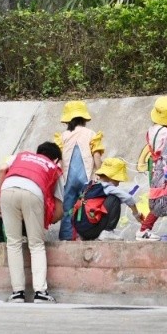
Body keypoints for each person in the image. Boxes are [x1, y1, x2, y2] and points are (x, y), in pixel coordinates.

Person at [0, 142, 65, 303]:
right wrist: (48, 220)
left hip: (7, 188)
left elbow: (1, 169)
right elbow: (59, 210)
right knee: (36, 244)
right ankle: (40, 293)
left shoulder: (21, 156)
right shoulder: (54, 168)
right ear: (56, 159)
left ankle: (17, 293)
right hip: (34, 191)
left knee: (13, 243)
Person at [54, 101, 106, 240]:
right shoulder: (91, 134)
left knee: (68, 208)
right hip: (86, 179)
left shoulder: (63, 136)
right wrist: (101, 174)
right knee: (85, 207)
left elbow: (58, 160)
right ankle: (84, 236)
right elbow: (96, 156)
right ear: (84, 118)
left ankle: (66, 237)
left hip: (67, 180)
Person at [135, 96, 167, 240]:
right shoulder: (166, 133)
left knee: (161, 198)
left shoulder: (152, 130)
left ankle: (145, 228)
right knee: (165, 197)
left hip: (156, 167)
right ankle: (144, 229)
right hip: (166, 168)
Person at [91, 157, 144, 239]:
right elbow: (129, 199)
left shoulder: (90, 184)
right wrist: (136, 215)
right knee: (115, 199)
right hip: (95, 226)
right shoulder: (108, 187)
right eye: (118, 180)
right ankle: (108, 231)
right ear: (111, 177)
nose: (118, 183)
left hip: (85, 229)